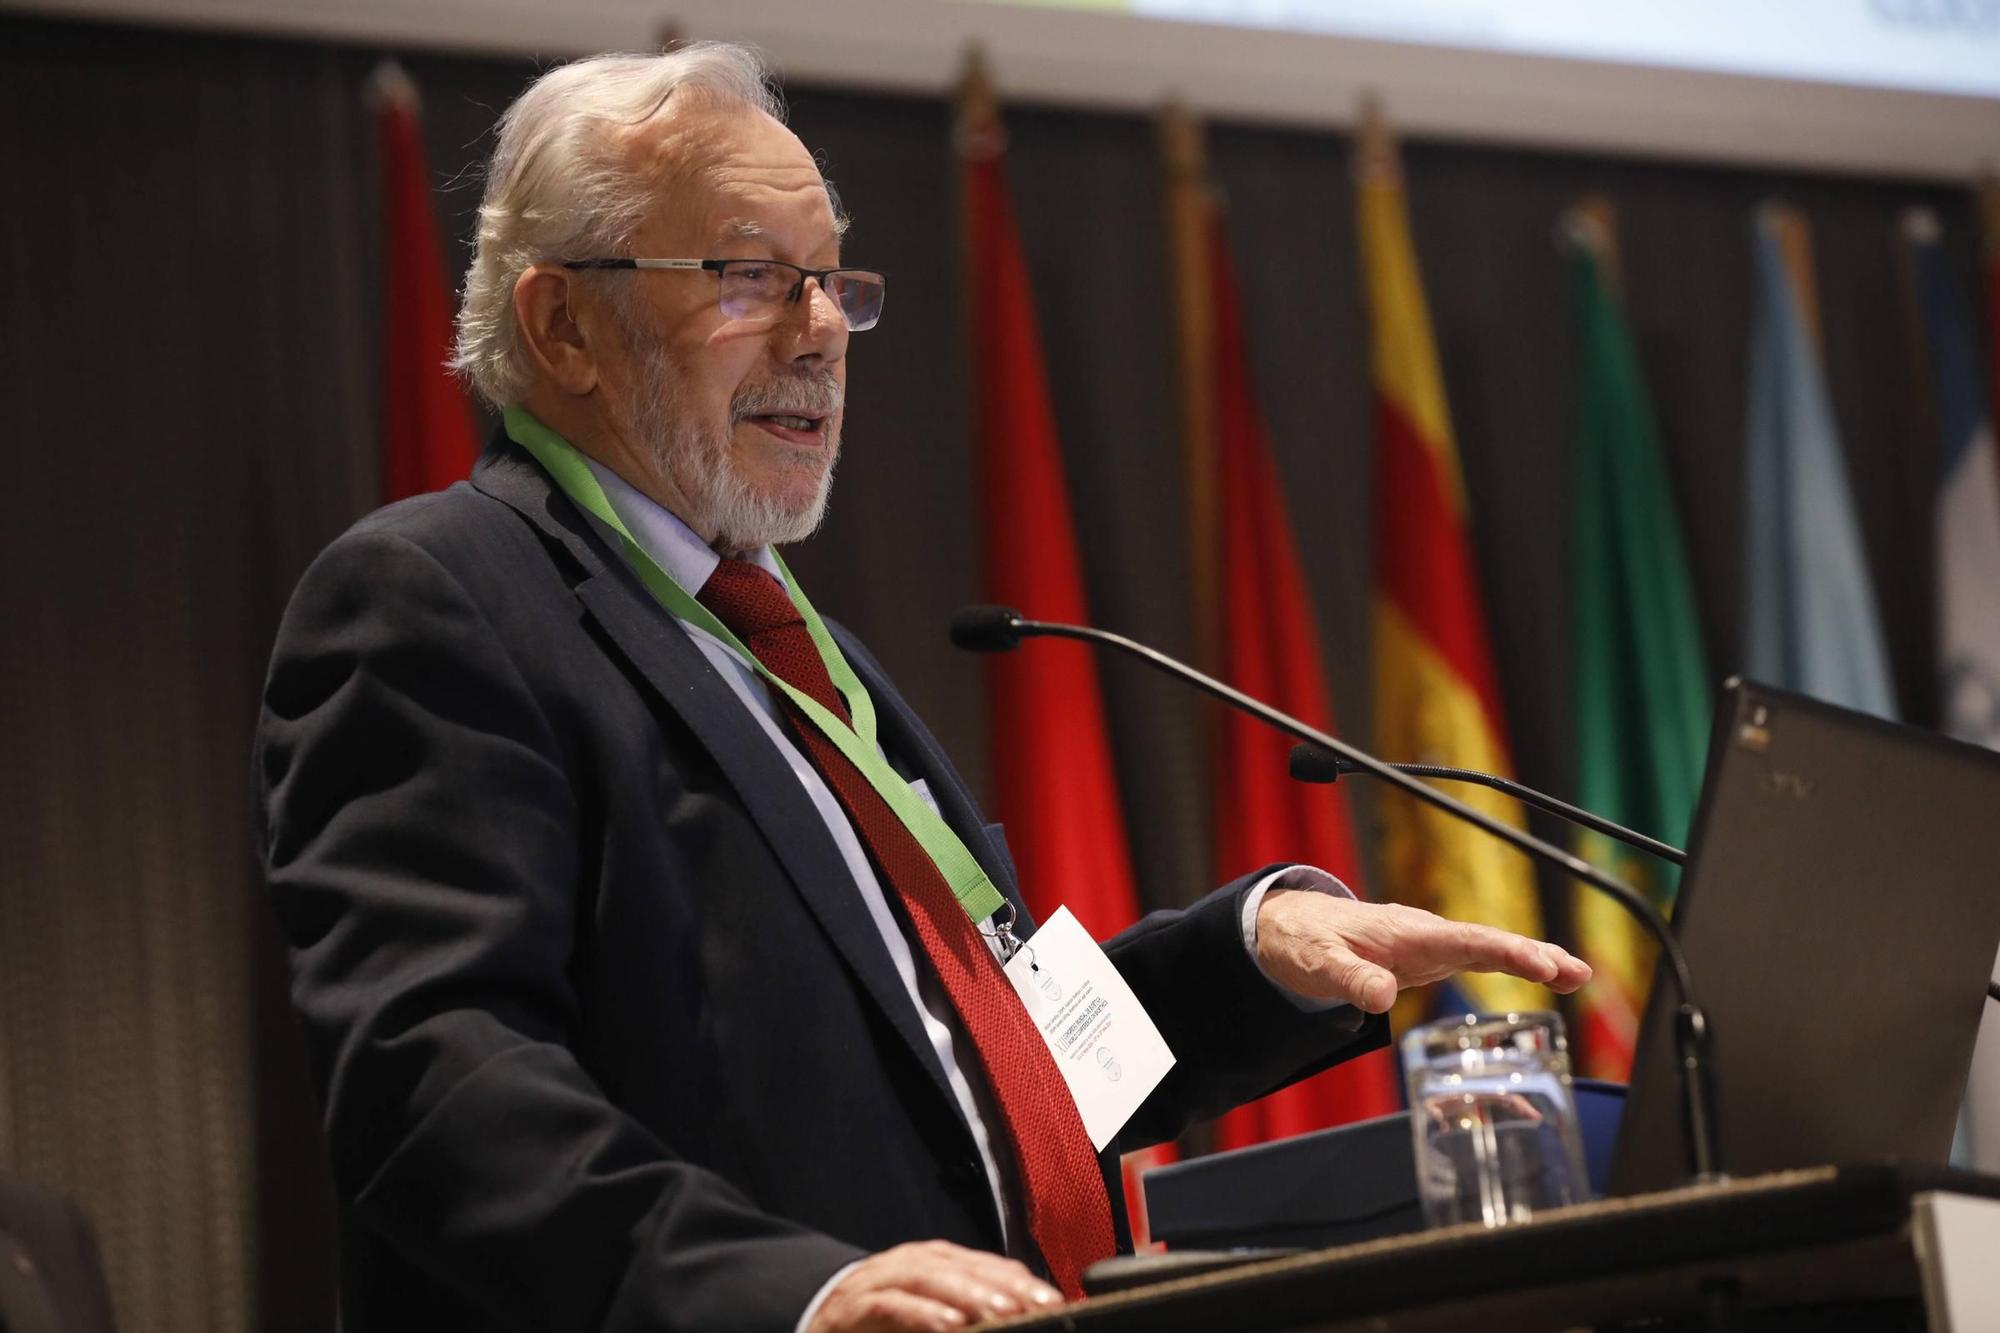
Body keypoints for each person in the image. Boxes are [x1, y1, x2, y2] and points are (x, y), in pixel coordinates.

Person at [254, 43, 1587, 1333]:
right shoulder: (438, 597)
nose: (821, 329)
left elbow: (988, 1062)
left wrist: (1252, 958)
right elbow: (434, 1084)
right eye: (750, 278)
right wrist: (791, 1296)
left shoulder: (793, 642)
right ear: (564, 324)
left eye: (832, 281)